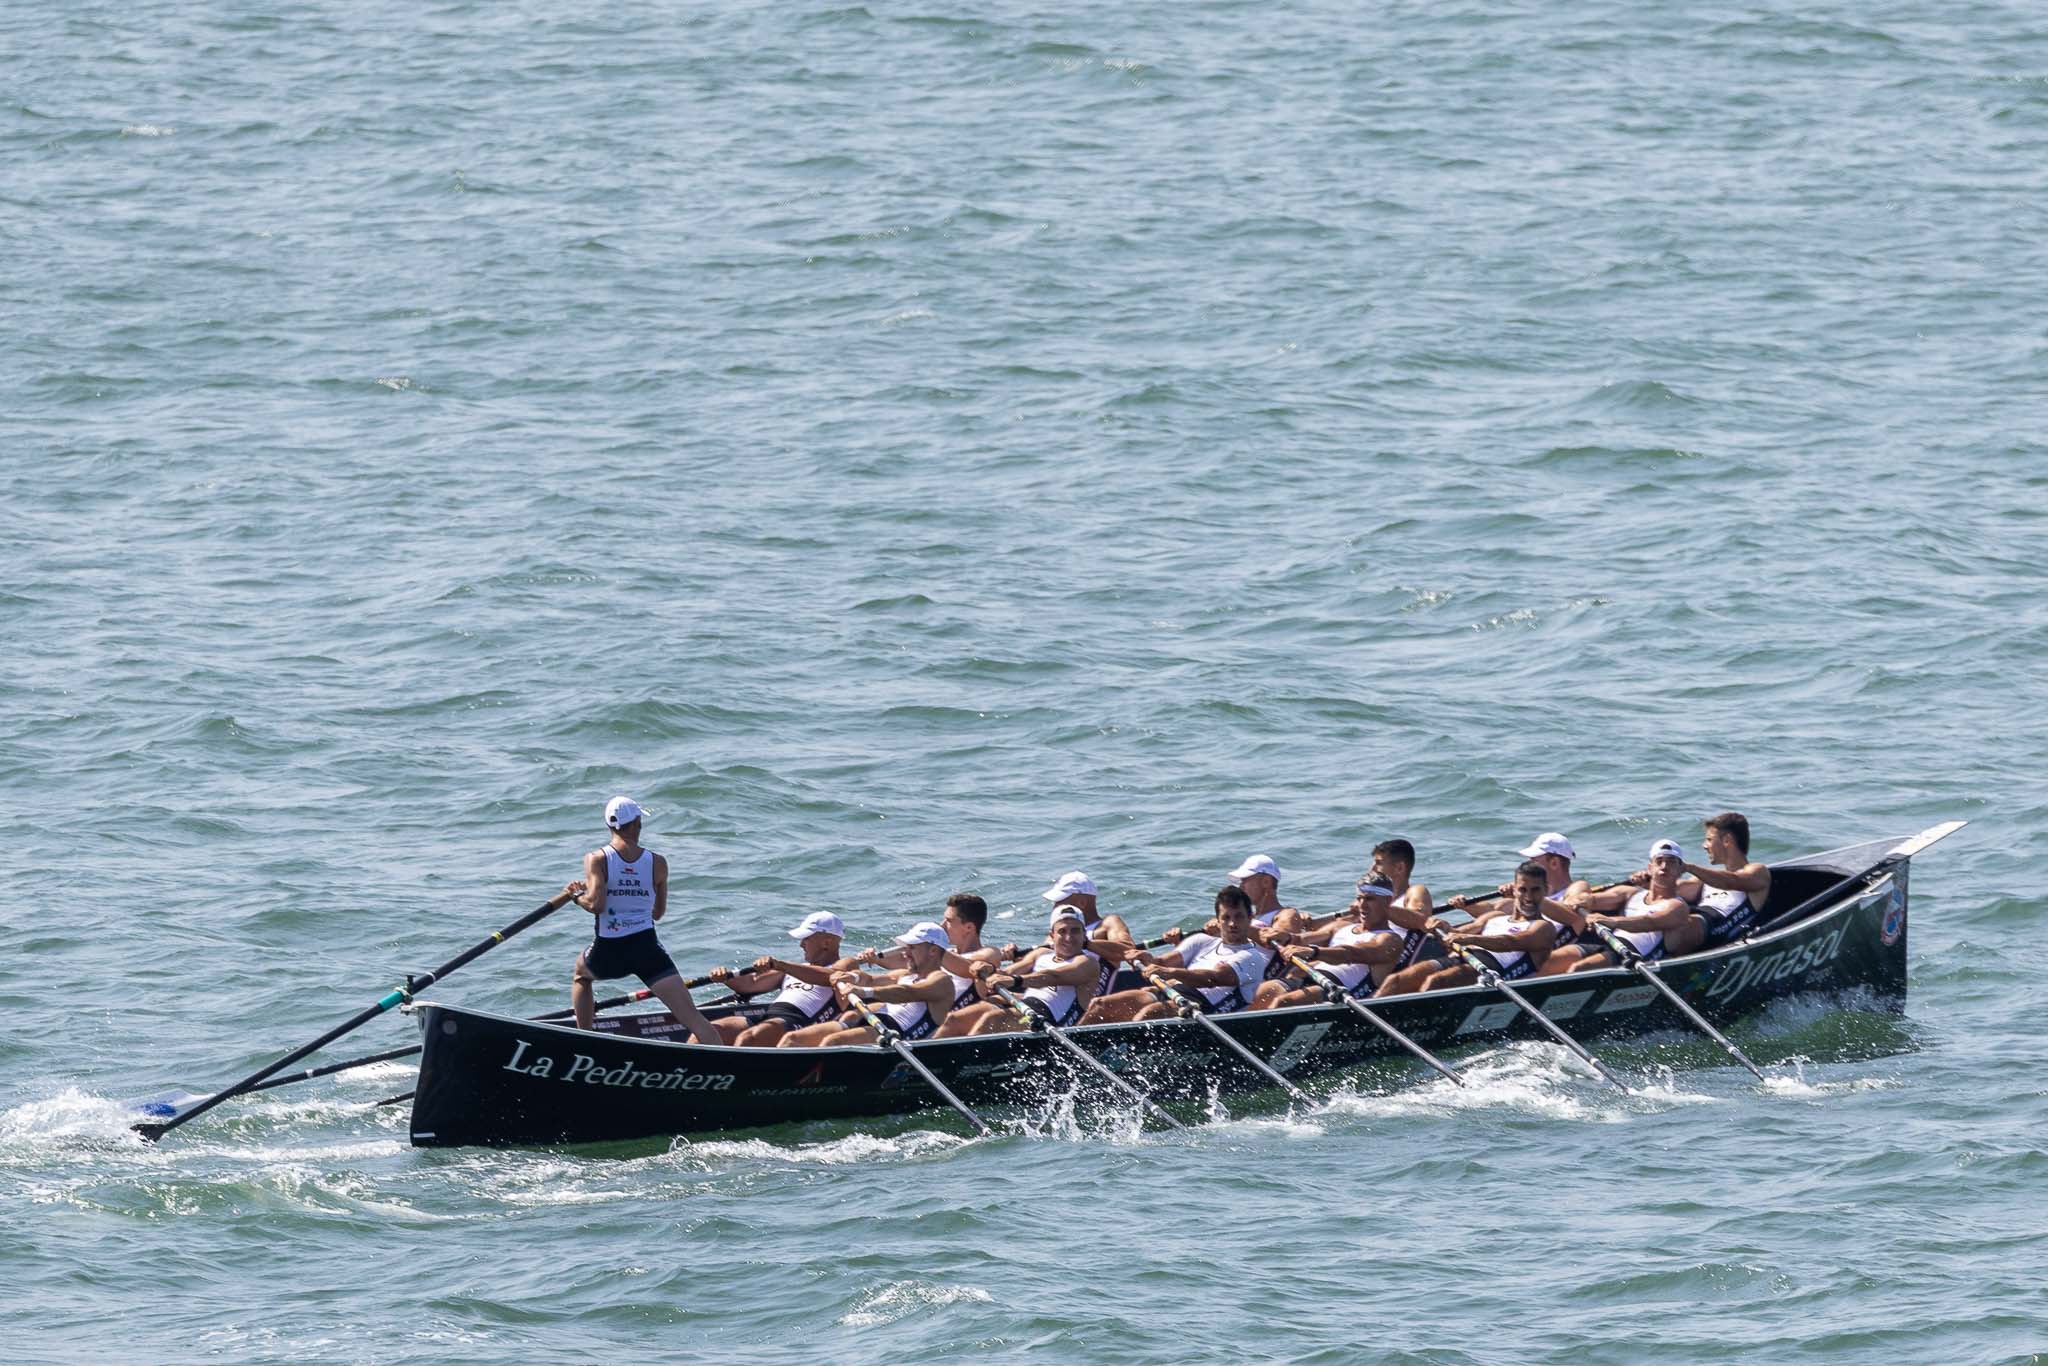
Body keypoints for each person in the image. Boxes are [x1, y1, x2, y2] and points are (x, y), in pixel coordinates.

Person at [566, 796, 723, 1044]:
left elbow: (597, 905)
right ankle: (726, 1070)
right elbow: (657, 914)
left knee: (581, 976)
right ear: (637, 822)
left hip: (609, 950)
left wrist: (575, 896)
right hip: (647, 949)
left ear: (610, 826)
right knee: (694, 1019)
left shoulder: (597, 859)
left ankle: (585, 1039)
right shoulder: (658, 862)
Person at [1082, 887, 1273, 1023]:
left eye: (1239, 917)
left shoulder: (1253, 957)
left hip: (1206, 1009)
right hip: (1174, 994)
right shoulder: (1201, 941)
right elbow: (1160, 961)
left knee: (1151, 1013)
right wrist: (1144, 958)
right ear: (1218, 920)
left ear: (1250, 918)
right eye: (1226, 918)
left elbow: (1214, 978)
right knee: (1101, 1004)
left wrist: (1169, 973)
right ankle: (1070, 1053)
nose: (1232, 924)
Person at [1386, 860, 1562, 993]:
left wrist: (1468, 939)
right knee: (1396, 981)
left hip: (1493, 971)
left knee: (1436, 982)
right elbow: (1456, 934)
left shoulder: (1543, 927)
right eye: (1523, 890)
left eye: (1535, 890)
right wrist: (1440, 926)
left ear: (1546, 890)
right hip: (1461, 958)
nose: (1529, 897)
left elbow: (1508, 942)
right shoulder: (1495, 917)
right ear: (1514, 890)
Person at [782, 922, 960, 1046]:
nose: (906, 953)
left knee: (833, 1042)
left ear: (934, 951)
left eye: (912, 948)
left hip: (894, 1033)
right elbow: (871, 979)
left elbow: (907, 992)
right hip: (873, 1025)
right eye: (906, 948)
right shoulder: (904, 975)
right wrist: (851, 977)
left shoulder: (941, 981)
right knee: (793, 1039)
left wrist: (864, 992)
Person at [940, 905, 1102, 1036]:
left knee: (992, 1019)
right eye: (1062, 931)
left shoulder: (1088, 962)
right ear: (1052, 936)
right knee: (954, 1019)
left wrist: (1016, 981)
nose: (1068, 937)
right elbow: (1007, 972)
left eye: (1075, 931)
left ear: (1084, 936)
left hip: (1051, 1020)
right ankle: (922, 1063)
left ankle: (964, 1067)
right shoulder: (1042, 954)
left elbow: (1053, 976)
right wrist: (988, 968)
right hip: (1024, 1007)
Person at [1252, 877, 1406, 1008]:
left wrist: (1314, 952)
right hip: (1305, 978)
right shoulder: (1342, 926)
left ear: (1387, 901)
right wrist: (1283, 937)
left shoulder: (1390, 940)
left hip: (1338, 991)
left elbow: (1352, 953)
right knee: (1256, 995)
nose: (1362, 905)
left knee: (1283, 1003)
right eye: (1360, 898)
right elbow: (1300, 939)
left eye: (1369, 899)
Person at [704, 911, 851, 1047]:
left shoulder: (845, 968)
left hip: (800, 1023)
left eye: (806, 939)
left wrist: (779, 965)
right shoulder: (793, 969)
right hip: (768, 1016)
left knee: (748, 1039)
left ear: (827, 942)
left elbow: (830, 976)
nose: (801, 945)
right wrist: (724, 977)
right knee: (711, 1031)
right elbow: (750, 984)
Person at [1550, 839, 1696, 972]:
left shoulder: (1678, 906)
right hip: (1605, 942)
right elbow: (1593, 900)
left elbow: (1649, 922)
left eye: (1671, 862)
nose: (1664, 866)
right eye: (1659, 861)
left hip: (1631, 953)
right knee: (1548, 962)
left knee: (1578, 968)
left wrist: (1612, 922)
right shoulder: (1630, 893)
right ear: (1650, 868)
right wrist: (1579, 899)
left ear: (1679, 870)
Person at [854, 893, 1006, 1010]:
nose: (942, 925)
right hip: (918, 1000)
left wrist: (929, 945)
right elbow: (904, 960)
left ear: (969, 927)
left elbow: (970, 969)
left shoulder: (989, 952)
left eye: (949, 921)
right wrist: (875, 959)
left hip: (941, 1013)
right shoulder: (945, 952)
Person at [1667, 812, 1771, 951]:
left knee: (1679, 926)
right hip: (1699, 920)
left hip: (1717, 930)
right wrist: (1651, 880)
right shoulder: (1705, 879)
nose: (1704, 845)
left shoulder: (1757, 871)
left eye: (1709, 839)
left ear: (1727, 840)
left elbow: (1731, 882)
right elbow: (1675, 888)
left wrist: (1689, 867)